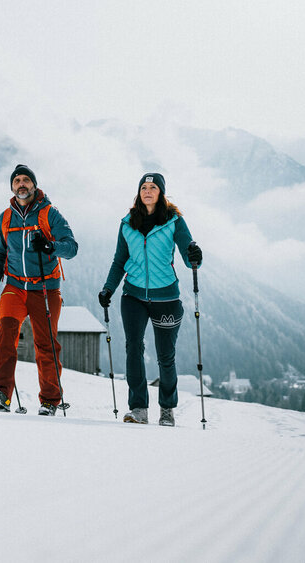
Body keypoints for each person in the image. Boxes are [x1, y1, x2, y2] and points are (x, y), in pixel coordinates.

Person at [98, 172, 202, 426]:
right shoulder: (127, 223)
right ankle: (138, 408)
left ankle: (167, 409)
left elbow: (189, 257)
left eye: (153, 187)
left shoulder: (174, 221)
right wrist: (108, 289)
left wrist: (195, 255)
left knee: (166, 356)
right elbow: (119, 260)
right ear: (139, 192)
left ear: (160, 193)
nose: (147, 191)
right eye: (144, 187)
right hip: (132, 295)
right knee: (133, 348)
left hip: (166, 297)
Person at [0, 164, 78, 416]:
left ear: (34, 185)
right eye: (17, 181)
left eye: (26, 180)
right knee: (4, 333)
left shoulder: (50, 214)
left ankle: (50, 400)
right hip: (14, 286)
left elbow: (71, 248)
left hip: (45, 288)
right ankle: (1, 392)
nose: (21, 184)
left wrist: (50, 246)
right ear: (12, 187)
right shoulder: (5, 217)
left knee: (45, 343)